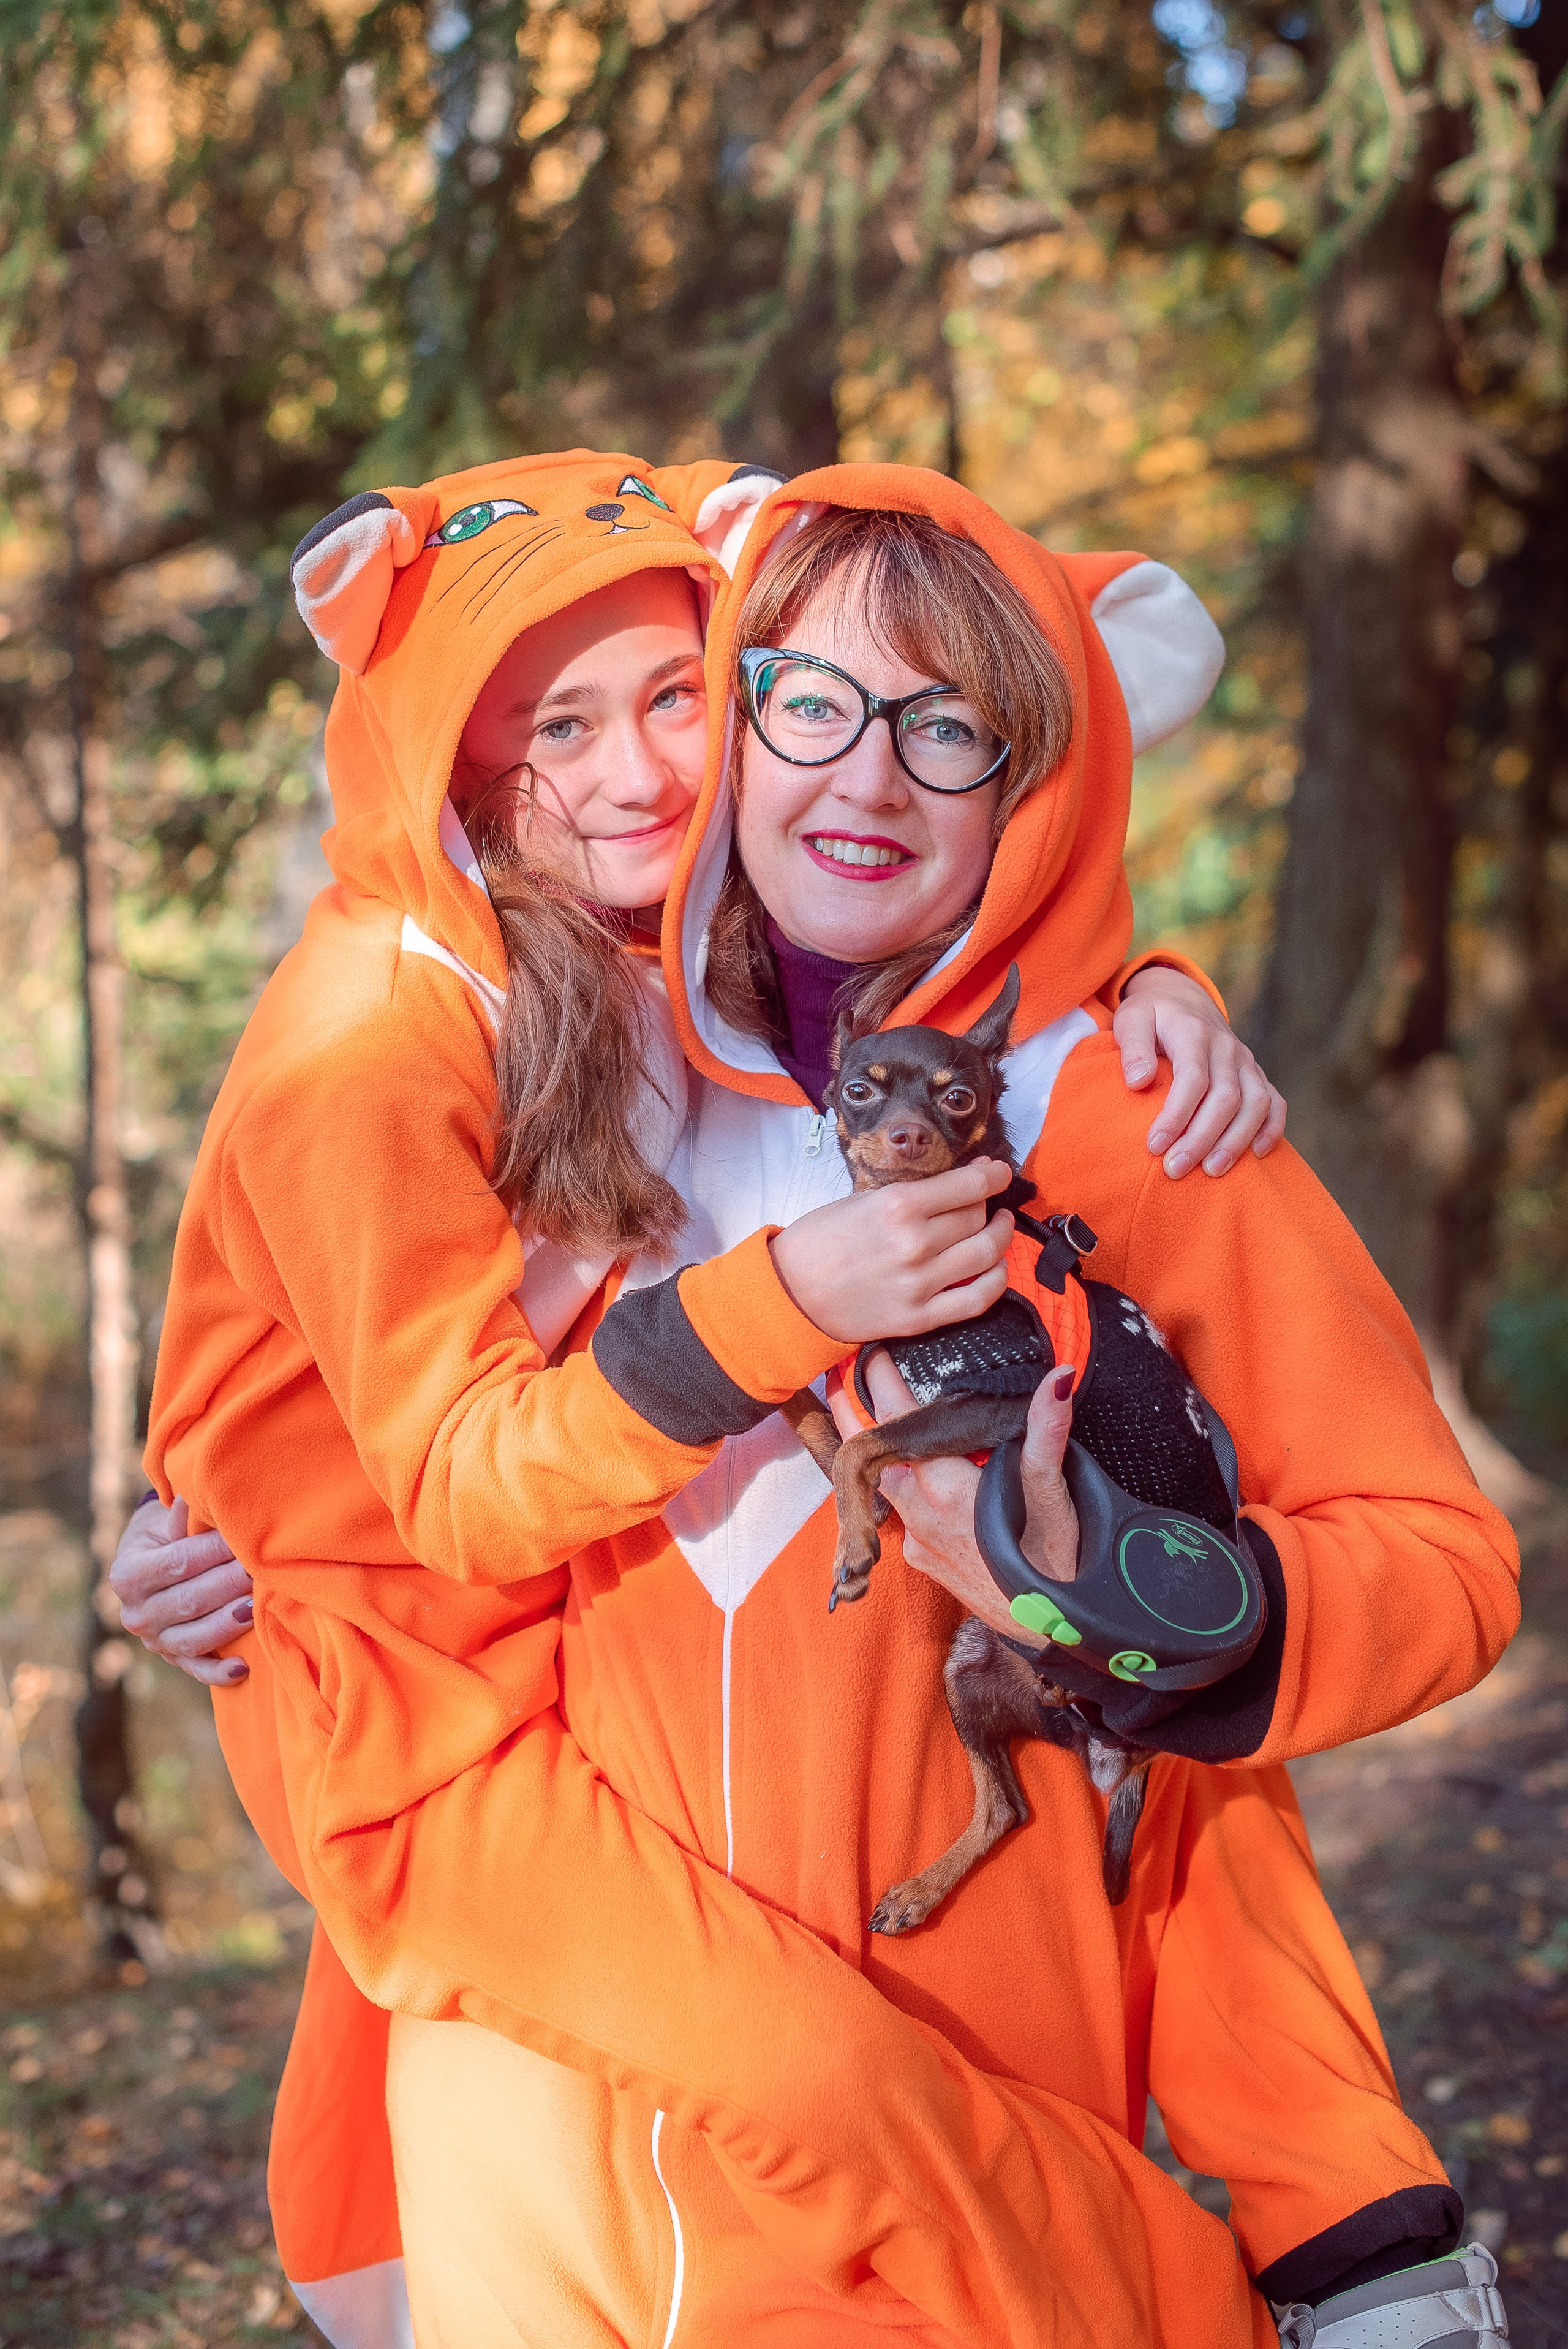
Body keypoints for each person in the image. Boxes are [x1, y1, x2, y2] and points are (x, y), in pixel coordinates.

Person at [122, 458, 1515, 2349]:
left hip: (962, 2156)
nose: (866, 778)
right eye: (809, 702)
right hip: (567, 2142)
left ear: (1036, 772)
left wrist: (1143, 1598)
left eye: (950, 730)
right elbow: (394, 1428)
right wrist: (222, 1527)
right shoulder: (560, 1059)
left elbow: (1431, 1568)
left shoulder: (1124, 1109)